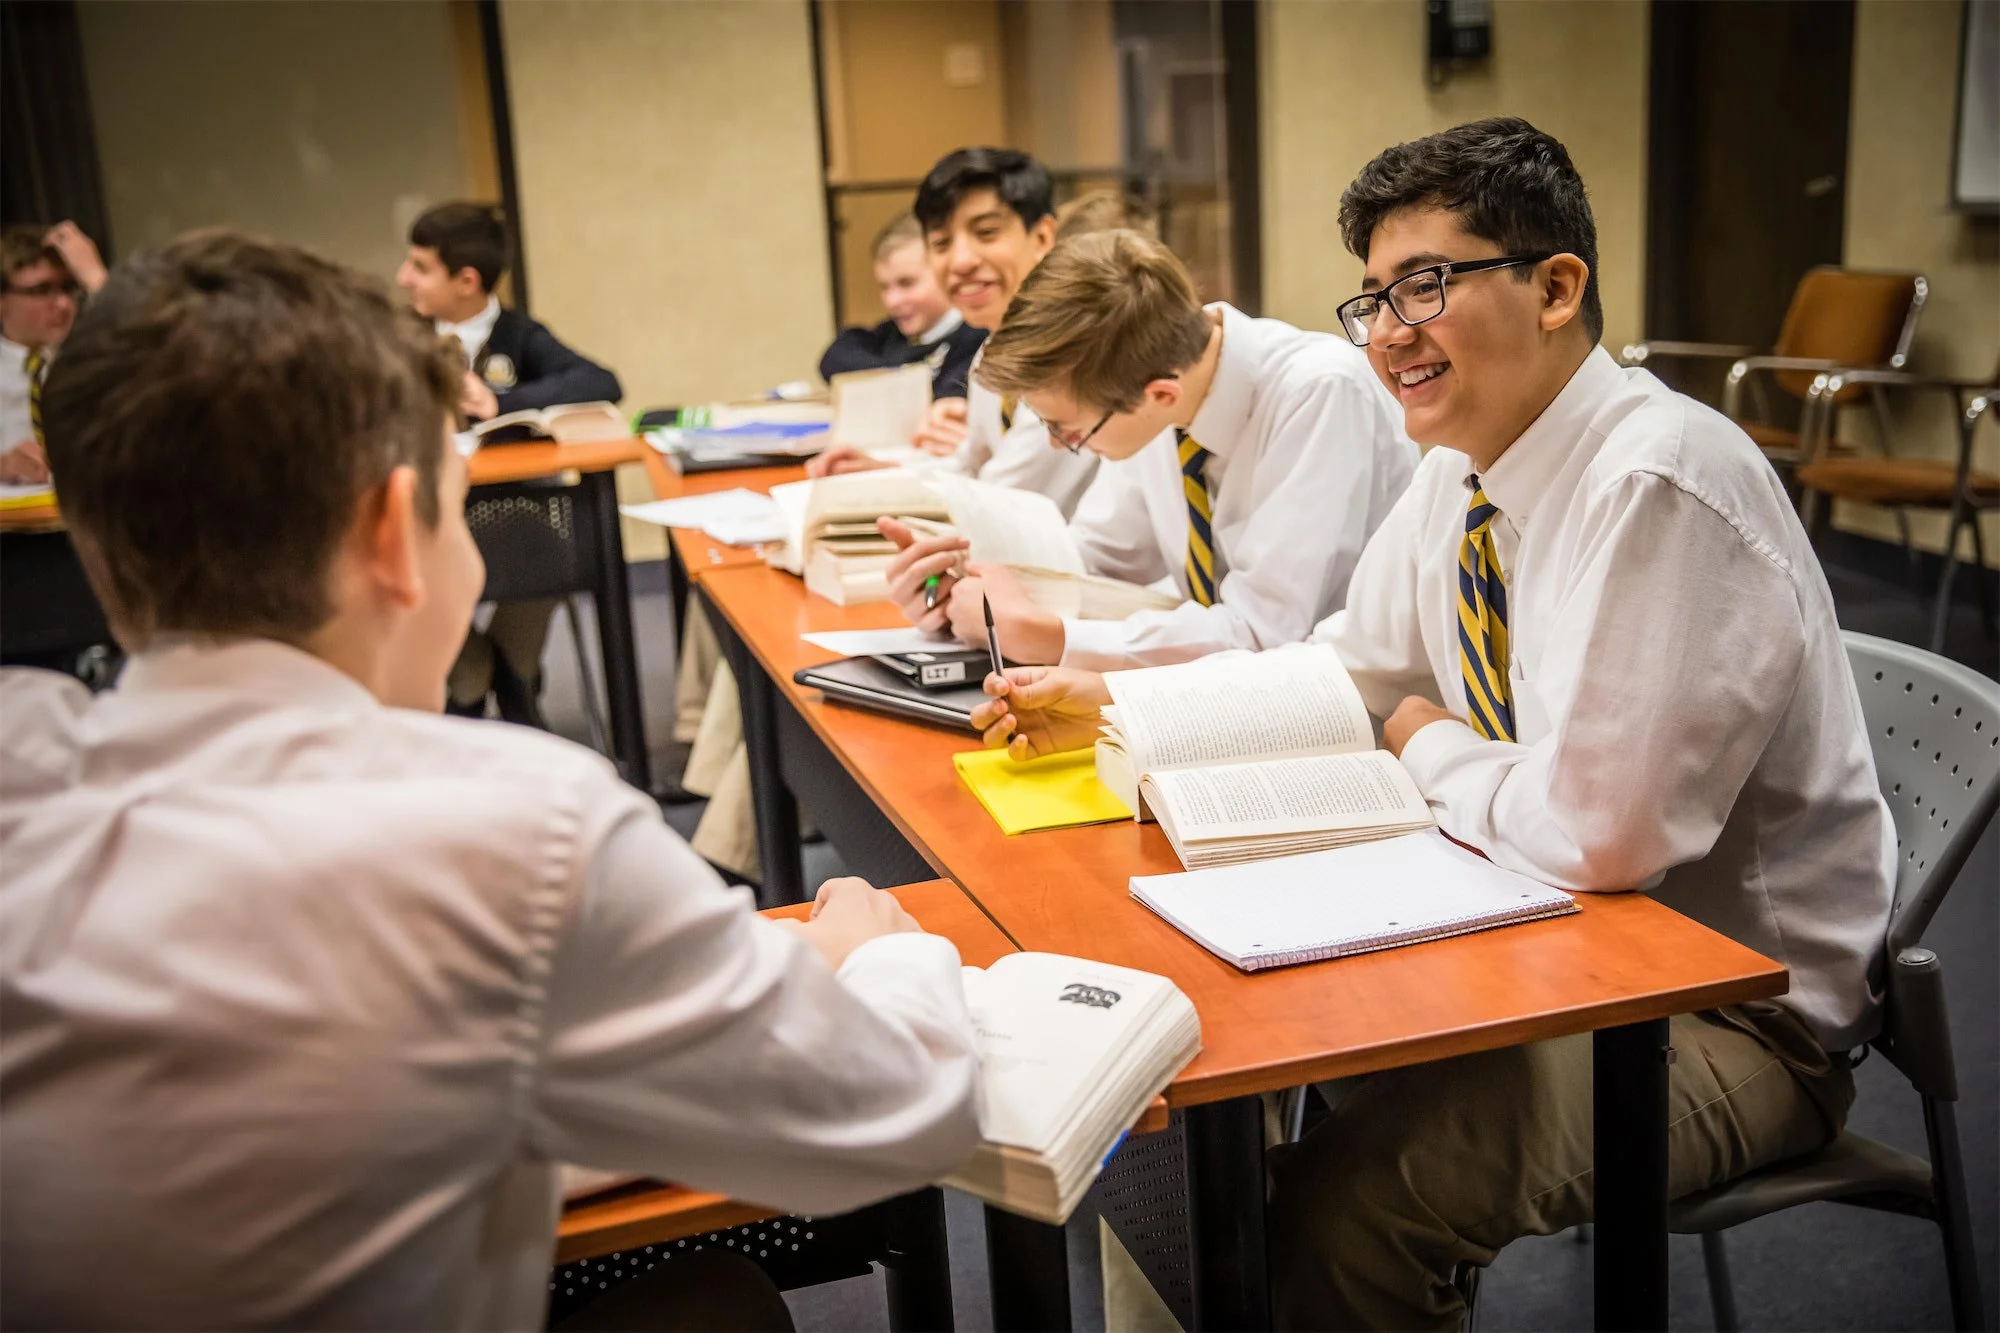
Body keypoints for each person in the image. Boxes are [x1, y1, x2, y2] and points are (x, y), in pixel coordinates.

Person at [969, 118, 1893, 1330]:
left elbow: (1595, 837)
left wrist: (1425, 742)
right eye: (1372, 298)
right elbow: (1345, 669)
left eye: (1426, 285)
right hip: (1542, 934)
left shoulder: (1653, 480)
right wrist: (1118, 702)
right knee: (1187, 1115)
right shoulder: (1461, 467)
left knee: (1345, 1215)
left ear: (1554, 287)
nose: (1387, 332)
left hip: (1719, 1012)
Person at [1, 231, 981, 1330]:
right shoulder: (519, 830)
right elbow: (907, 1107)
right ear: (393, 533)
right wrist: (879, 951)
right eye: (458, 505)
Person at [881, 228, 1417, 671]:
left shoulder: (1319, 392)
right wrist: (962, 588)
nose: (1055, 443)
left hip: (1342, 712)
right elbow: (1096, 561)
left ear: (1159, 395)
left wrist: (1047, 636)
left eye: (1068, 430)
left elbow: (1266, 633)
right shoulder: (1159, 386)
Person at [396, 201, 623, 725]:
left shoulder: (519, 335)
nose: (403, 278)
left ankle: (509, 675)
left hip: (517, 516)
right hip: (430, 522)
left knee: (561, 544)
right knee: (404, 571)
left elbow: (601, 382)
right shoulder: (400, 336)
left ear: (466, 281)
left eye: (420, 267)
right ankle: (477, 674)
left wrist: (503, 402)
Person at [808, 148, 1102, 519]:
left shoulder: (1071, 352)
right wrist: (886, 472)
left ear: (1042, 237)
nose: (961, 261)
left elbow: (998, 498)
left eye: (986, 233)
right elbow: (970, 466)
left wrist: (895, 489)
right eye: (941, 244)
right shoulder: (993, 349)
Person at [819, 212, 985, 400]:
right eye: (884, 287)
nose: (892, 301)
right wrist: (902, 374)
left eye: (906, 283)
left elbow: (950, 393)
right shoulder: (893, 334)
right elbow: (835, 357)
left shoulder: (979, 339)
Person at [1, 221, 107, 485]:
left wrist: (97, 281)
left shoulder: (96, 361)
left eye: (68, 288)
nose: (63, 303)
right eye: (42, 290)